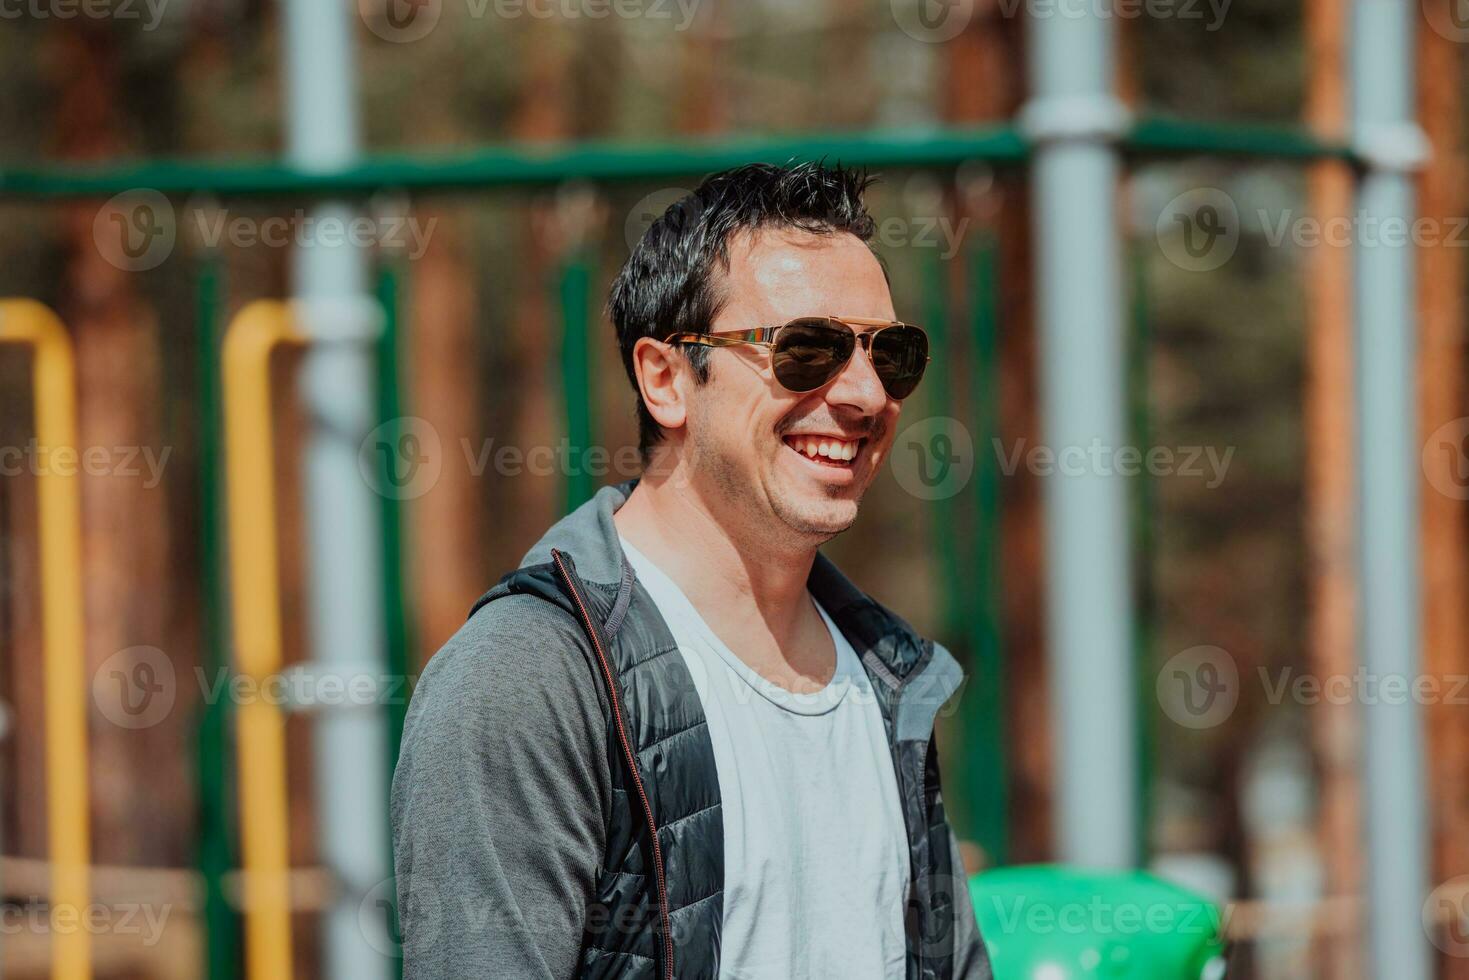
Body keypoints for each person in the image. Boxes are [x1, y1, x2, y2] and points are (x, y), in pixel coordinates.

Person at [391, 161, 992, 979]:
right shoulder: (526, 680)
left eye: (891, 354)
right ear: (666, 379)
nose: (862, 393)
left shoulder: (891, 680)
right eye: (805, 349)